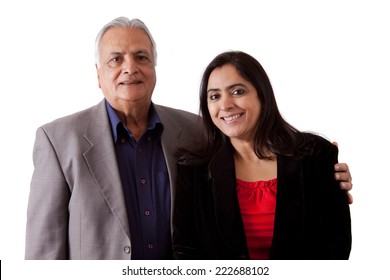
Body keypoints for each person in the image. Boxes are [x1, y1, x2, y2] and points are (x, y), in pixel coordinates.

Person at [25, 17, 352, 260]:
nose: (130, 68)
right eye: (116, 59)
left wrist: (322, 173)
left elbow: (264, 161)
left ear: (154, 67)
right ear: (98, 74)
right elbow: (43, 250)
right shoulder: (58, 140)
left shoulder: (195, 132)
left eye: (141, 57)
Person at [173, 51, 352, 260]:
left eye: (238, 91)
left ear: (263, 96)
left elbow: (335, 246)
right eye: (214, 96)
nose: (225, 105)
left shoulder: (316, 155)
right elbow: (186, 251)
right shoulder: (194, 168)